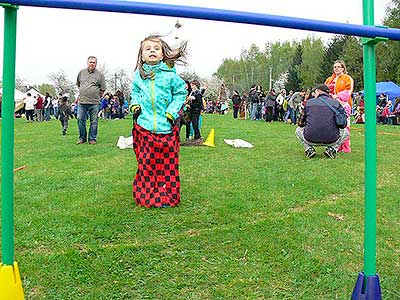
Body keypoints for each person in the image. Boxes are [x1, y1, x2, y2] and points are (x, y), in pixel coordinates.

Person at [129, 34, 187, 208]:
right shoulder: (139, 76)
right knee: (146, 163)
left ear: (162, 54)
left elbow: (180, 93)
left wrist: (172, 111)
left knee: (167, 166)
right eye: (147, 49)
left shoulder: (171, 76)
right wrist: (135, 104)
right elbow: (135, 93)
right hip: (144, 127)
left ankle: (167, 195)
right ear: (142, 55)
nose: (152, 51)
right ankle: (147, 196)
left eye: (156, 48)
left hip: (166, 128)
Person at [295, 84, 349, 159]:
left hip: (310, 138)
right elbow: (343, 124)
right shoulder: (336, 103)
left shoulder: (308, 103)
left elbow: (300, 123)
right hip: (332, 139)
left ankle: (308, 149)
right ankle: (332, 149)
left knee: (298, 130)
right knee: (346, 132)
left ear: (318, 91)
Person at [76, 55, 106, 144]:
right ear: (87, 63)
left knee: (94, 121)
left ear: (96, 64)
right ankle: (82, 138)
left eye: (94, 62)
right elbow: (78, 84)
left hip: (94, 102)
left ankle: (92, 138)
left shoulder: (100, 75)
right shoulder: (81, 73)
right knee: (80, 119)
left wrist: (96, 96)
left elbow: (103, 89)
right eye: (90, 62)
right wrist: (84, 91)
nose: (92, 64)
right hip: (82, 101)